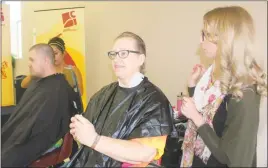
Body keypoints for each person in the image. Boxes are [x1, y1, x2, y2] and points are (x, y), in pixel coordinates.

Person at [69, 32, 175, 167]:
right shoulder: (102, 95)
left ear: (140, 59)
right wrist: (79, 130)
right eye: (113, 54)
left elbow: (145, 153)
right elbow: (87, 132)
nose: (116, 59)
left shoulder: (154, 101)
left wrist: (94, 140)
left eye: (124, 53)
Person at [180, 6, 267, 167]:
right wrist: (193, 86)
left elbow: (231, 158)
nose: (201, 41)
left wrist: (197, 119)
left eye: (205, 35)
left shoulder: (244, 92)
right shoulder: (217, 74)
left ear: (225, 40)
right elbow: (213, 114)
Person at [1, 44, 77, 167]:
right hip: (22, 132)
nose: (29, 64)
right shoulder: (38, 82)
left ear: (46, 60)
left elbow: (47, 127)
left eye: (32, 60)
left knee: (6, 157)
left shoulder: (59, 90)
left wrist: (22, 134)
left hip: (38, 139)